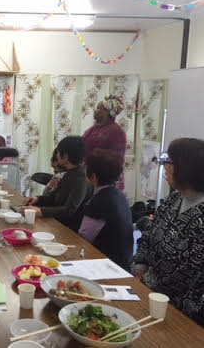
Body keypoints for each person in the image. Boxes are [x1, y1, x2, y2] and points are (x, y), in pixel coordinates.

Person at [132, 138, 204, 326]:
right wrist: (139, 268)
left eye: (169, 161)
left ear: (186, 168)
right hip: (148, 290)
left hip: (183, 311)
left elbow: (184, 271)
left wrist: (145, 281)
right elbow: (147, 235)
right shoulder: (173, 200)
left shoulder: (201, 216)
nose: (164, 166)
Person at [78, 149, 133, 270]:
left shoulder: (99, 202)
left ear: (94, 176)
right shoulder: (119, 195)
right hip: (124, 264)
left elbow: (84, 238)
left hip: (105, 265)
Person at [22, 136, 92, 231]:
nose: (57, 155)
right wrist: (37, 199)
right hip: (58, 223)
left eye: (58, 152)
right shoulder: (70, 173)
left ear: (66, 156)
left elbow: (69, 210)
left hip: (69, 230)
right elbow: (54, 198)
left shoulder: (81, 179)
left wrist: (41, 211)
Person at [83, 95, 126, 190]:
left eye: (99, 108)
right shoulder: (93, 129)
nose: (95, 110)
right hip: (92, 177)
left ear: (108, 113)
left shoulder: (117, 132)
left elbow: (116, 160)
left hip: (105, 181)